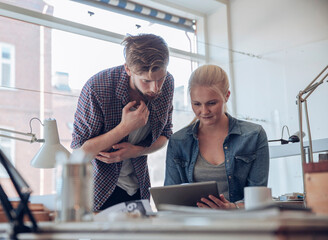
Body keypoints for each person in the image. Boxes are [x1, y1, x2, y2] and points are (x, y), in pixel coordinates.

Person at [71, 34, 174, 211]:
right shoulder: (97, 88)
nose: (155, 88)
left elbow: (165, 134)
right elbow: (79, 153)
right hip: (98, 194)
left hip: (139, 190)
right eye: (146, 81)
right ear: (128, 69)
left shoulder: (168, 84)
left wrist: (137, 151)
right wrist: (124, 128)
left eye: (160, 78)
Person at [164, 64, 269, 209]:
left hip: (240, 225)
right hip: (194, 226)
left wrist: (233, 208)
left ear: (226, 96)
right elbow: (169, 202)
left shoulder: (253, 135)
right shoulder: (178, 141)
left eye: (211, 103)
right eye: (197, 104)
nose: (204, 111)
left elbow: (259, 197)